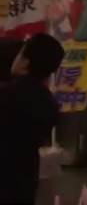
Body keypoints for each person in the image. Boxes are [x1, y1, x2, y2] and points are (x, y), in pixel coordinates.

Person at [0, 33, 64, 205]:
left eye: (19, 54)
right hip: (24, 184)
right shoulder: (50, 105)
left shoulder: (6, 95)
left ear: (25, 63)